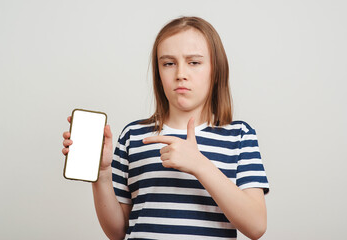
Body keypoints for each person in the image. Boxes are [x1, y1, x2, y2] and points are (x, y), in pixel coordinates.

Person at [62, 16, 269, 240]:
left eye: (194, 62)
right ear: (158, 73)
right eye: (168, 63)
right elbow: (118, 232)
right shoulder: (133, 136)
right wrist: (102, 174)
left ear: (215, 70)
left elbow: (256, 226)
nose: (180, 74)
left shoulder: (239, 136)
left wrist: (199, 164)